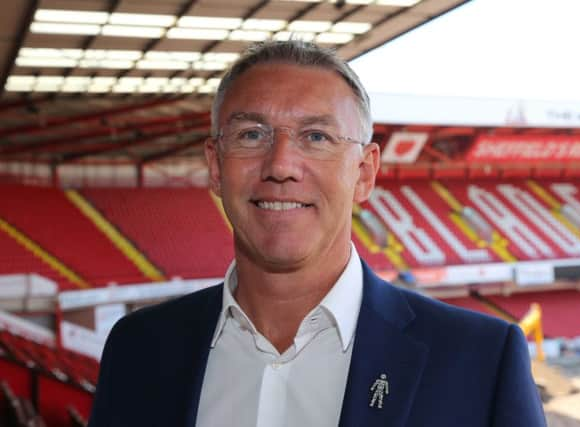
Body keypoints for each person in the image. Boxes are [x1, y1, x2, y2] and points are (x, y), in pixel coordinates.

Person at [88, 40, 546, 427]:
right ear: (215, 165)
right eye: (251, 135)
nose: (281, 165)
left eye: (317, 138)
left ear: (364, 172)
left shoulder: (482, 361)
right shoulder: (139, 349)